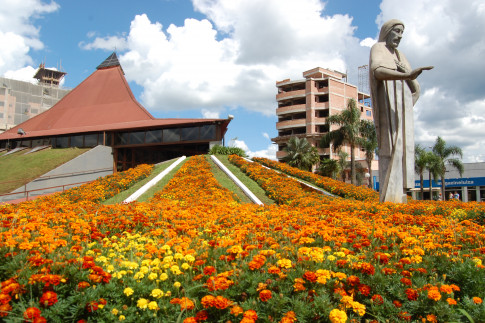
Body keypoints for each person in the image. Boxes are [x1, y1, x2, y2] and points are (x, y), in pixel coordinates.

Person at [369, 19, 433, 203]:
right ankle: (390, 201)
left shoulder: (400, 55)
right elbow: (378, 71)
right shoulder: (378, 48)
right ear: (387, 31)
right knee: (389, 150)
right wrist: (406, 75)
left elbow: (415, 88)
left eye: (402, 33)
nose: (400, 36)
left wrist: (408, 75)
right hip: (387, 109)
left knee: (403, 151)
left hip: (401, 111)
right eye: (396, 31)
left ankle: (398, 199)